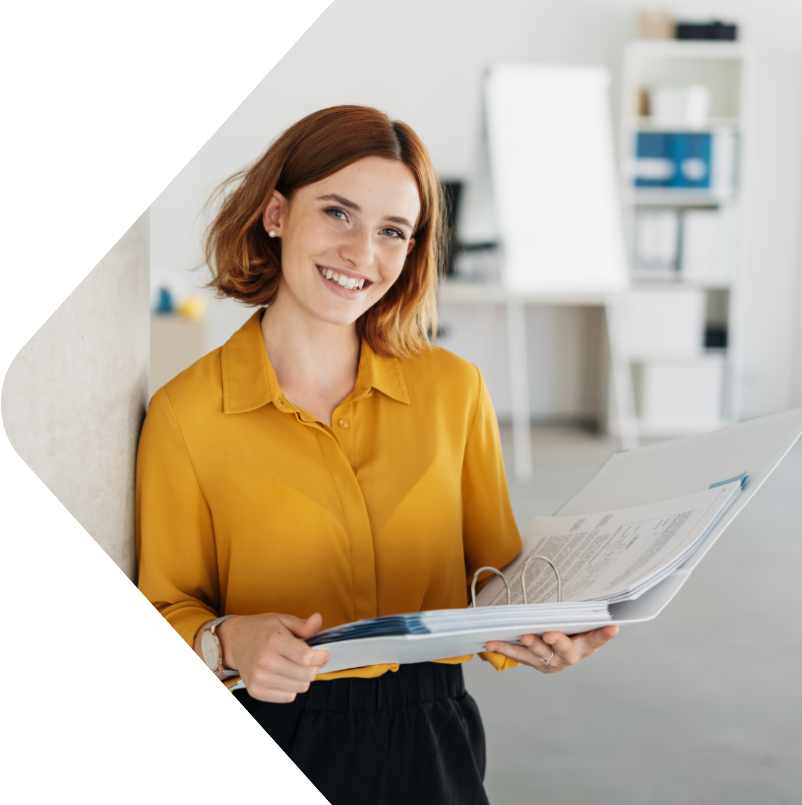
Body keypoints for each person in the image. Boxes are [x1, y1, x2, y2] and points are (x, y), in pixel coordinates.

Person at [136, 105, 618, 804]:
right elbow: (166, 600)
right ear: (276, 214)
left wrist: (541, 630)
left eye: (393, 230)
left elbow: (496, 579)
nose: (363, 253)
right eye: (338, 213)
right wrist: (227, 640)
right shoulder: (186, 413)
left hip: (432, 732)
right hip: (275, 722)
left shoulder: (455, 390)